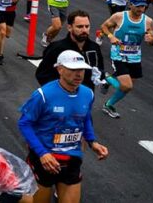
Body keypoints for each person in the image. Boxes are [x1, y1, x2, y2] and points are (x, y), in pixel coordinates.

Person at [18, 51, 109, 203]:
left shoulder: (88, 94)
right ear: (60, 69)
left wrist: (93, 142)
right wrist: (42, 153)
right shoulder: (43, 95)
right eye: (73, 70)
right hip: (44, 160)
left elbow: (85, 118)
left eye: (81, 69)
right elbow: (24, 123)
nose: (79, 74)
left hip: (72, 158)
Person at [99, 0, 153, 118]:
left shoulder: (148, 21)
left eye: (143, 7)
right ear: (130, 5)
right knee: (126, 86)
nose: (141, 9)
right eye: (138, 6)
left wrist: (150, 39)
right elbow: (104, 26)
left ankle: (108, 104)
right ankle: (103, 76)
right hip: (118, 53)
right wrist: (111, 36)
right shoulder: (119, 17)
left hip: (135, 55)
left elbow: (151, 40)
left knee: (129, 84)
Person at [35, 10, 107, 91]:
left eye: (87, 26)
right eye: (79, 27)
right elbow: (42, 74)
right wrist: (58, 92)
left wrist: (102, 78)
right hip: (61, 98)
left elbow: (100, 70)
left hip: (85, 98)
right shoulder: (57, 48)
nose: (84, 30)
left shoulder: (94, 48)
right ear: (69, 27)